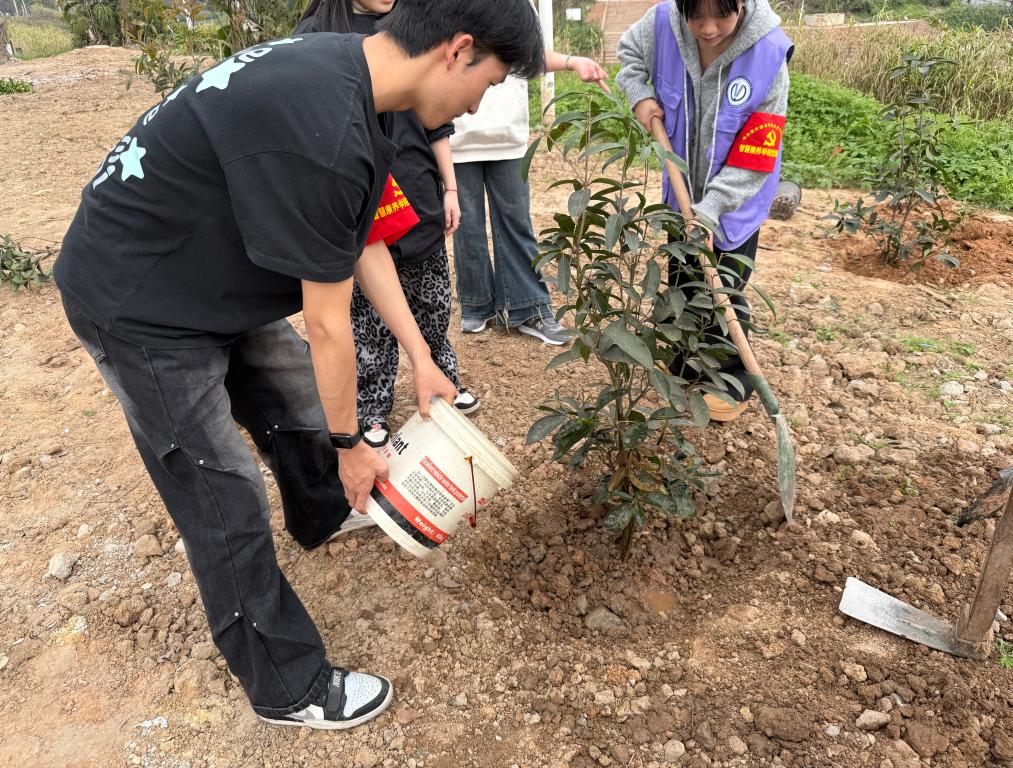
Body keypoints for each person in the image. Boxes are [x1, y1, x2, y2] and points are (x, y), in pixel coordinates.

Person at [54, 0, 545, 730]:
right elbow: (326, 325)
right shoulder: (329, 124)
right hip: (138, 300)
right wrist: (352, 447)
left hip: (202, 274)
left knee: (293, 395)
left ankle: (321, 512)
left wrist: (421, 357)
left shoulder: (361, 88)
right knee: (220, 489)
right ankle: (285, 683)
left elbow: (363, 239)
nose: (477, 106)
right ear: (457, 50)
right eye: (490, 82)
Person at [297, 0, 481, 455]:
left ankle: (440, 380)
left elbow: (437, 121)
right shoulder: (319, 32)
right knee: (367, 321)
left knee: (432, 305)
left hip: (415, 188)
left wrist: (450, 187)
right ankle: (373, 405)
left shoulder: (415, 21)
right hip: (359, 190)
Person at [617, 0, 792, 421]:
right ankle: (684, 369)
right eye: (696, 17)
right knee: (683, 279)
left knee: (725, 285)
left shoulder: (768, 55)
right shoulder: (662, 24)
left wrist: (711, 209)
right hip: (681, 195)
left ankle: (730, 381)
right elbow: (629, 56)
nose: (709, 29)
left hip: (734, 204)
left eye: (721, 16)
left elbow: (756, 157)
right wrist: (640, 95)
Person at [450, 17, 609, 346]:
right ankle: (476, 304)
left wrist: (572, 62)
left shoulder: (518, 7)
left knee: (517, 222)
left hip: (508, 137)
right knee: (466, 227)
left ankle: (529, 307)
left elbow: (529, 54)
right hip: (456, 135)